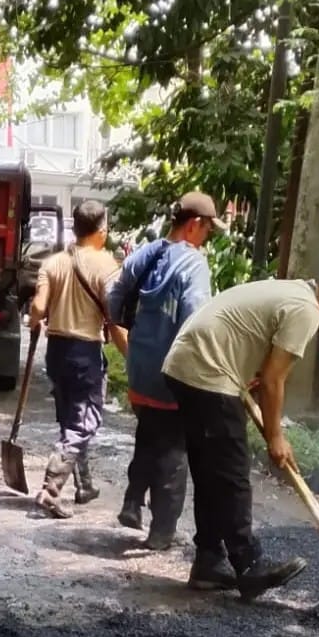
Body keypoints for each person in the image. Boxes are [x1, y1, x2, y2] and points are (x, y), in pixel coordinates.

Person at [162, 265, 319, 598]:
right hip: (208, 370)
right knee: (232, 472)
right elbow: (274, 380)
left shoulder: (292, 293)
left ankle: (208, 561)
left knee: (211, 471)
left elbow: (261, 365)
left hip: (185, 363)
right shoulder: (306, 308)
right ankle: (249, 565)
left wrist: (249, 373)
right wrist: (276, 436)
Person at [107, 192, 217, 550]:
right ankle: (162, 531)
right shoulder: (194, 264)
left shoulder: (145, 254)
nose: (207, 237)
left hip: (140, 369)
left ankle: (132, 501)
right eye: (208, 229)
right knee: (173, 451)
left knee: (149, 435)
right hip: (174, 374)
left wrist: (137, 337)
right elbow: (196, 319)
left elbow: (114, 299)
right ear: (195, 224)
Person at [30, 200, 127, 518]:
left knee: (70, 420)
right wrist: (131, 357)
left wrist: (35, 320)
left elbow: (38, 308)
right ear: (102, 231)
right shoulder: (107, 266)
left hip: (56, 351)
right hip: (85, 352)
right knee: (84, 423)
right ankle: (50, 490)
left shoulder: (53, 262)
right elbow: (114, 319)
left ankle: (84, 485)